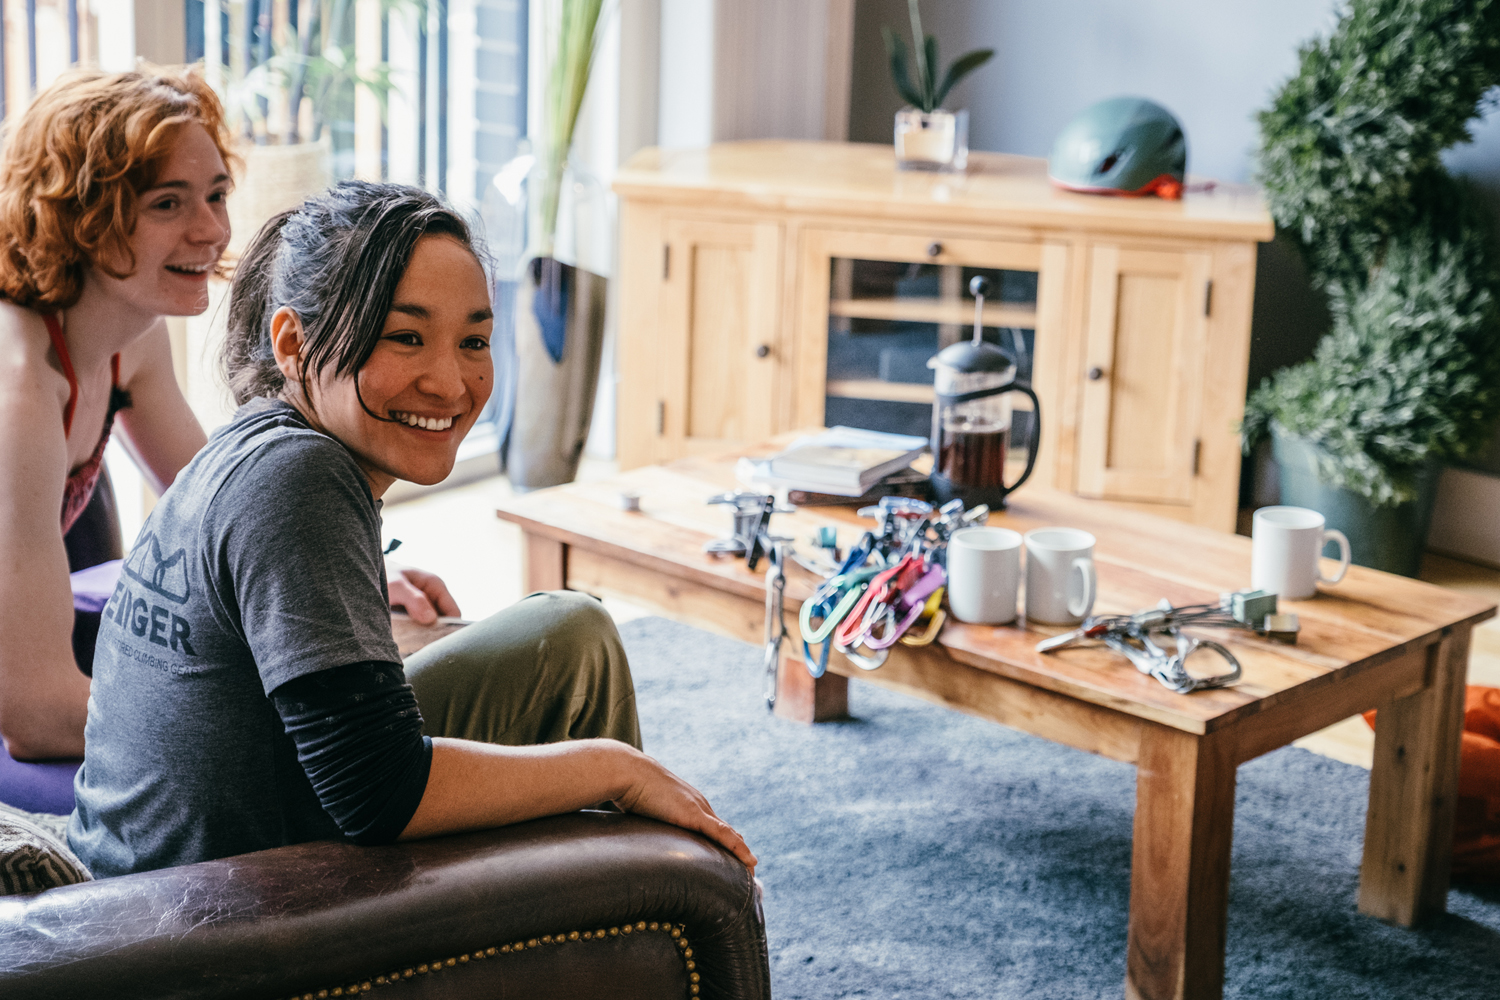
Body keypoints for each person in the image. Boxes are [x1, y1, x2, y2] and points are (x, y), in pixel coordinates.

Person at [67, 181, 755, 878]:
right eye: (406, 337)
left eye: (474, 341)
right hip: (216, 907)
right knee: (593, 725)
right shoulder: (301, 477)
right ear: (293, 343)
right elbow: (377, 794)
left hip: (166, 863)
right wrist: (614, 770)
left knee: (568, 636)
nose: (450, 384)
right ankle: (628, 911)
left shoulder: (251, 446)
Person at [0, 68, 461, 800]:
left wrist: (342, 573)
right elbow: (33, 713)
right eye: (167, 203)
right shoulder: (18, 386)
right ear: (77, 215)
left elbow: (217, 505)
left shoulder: (129, 335)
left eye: (215, 194)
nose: (212, 229)